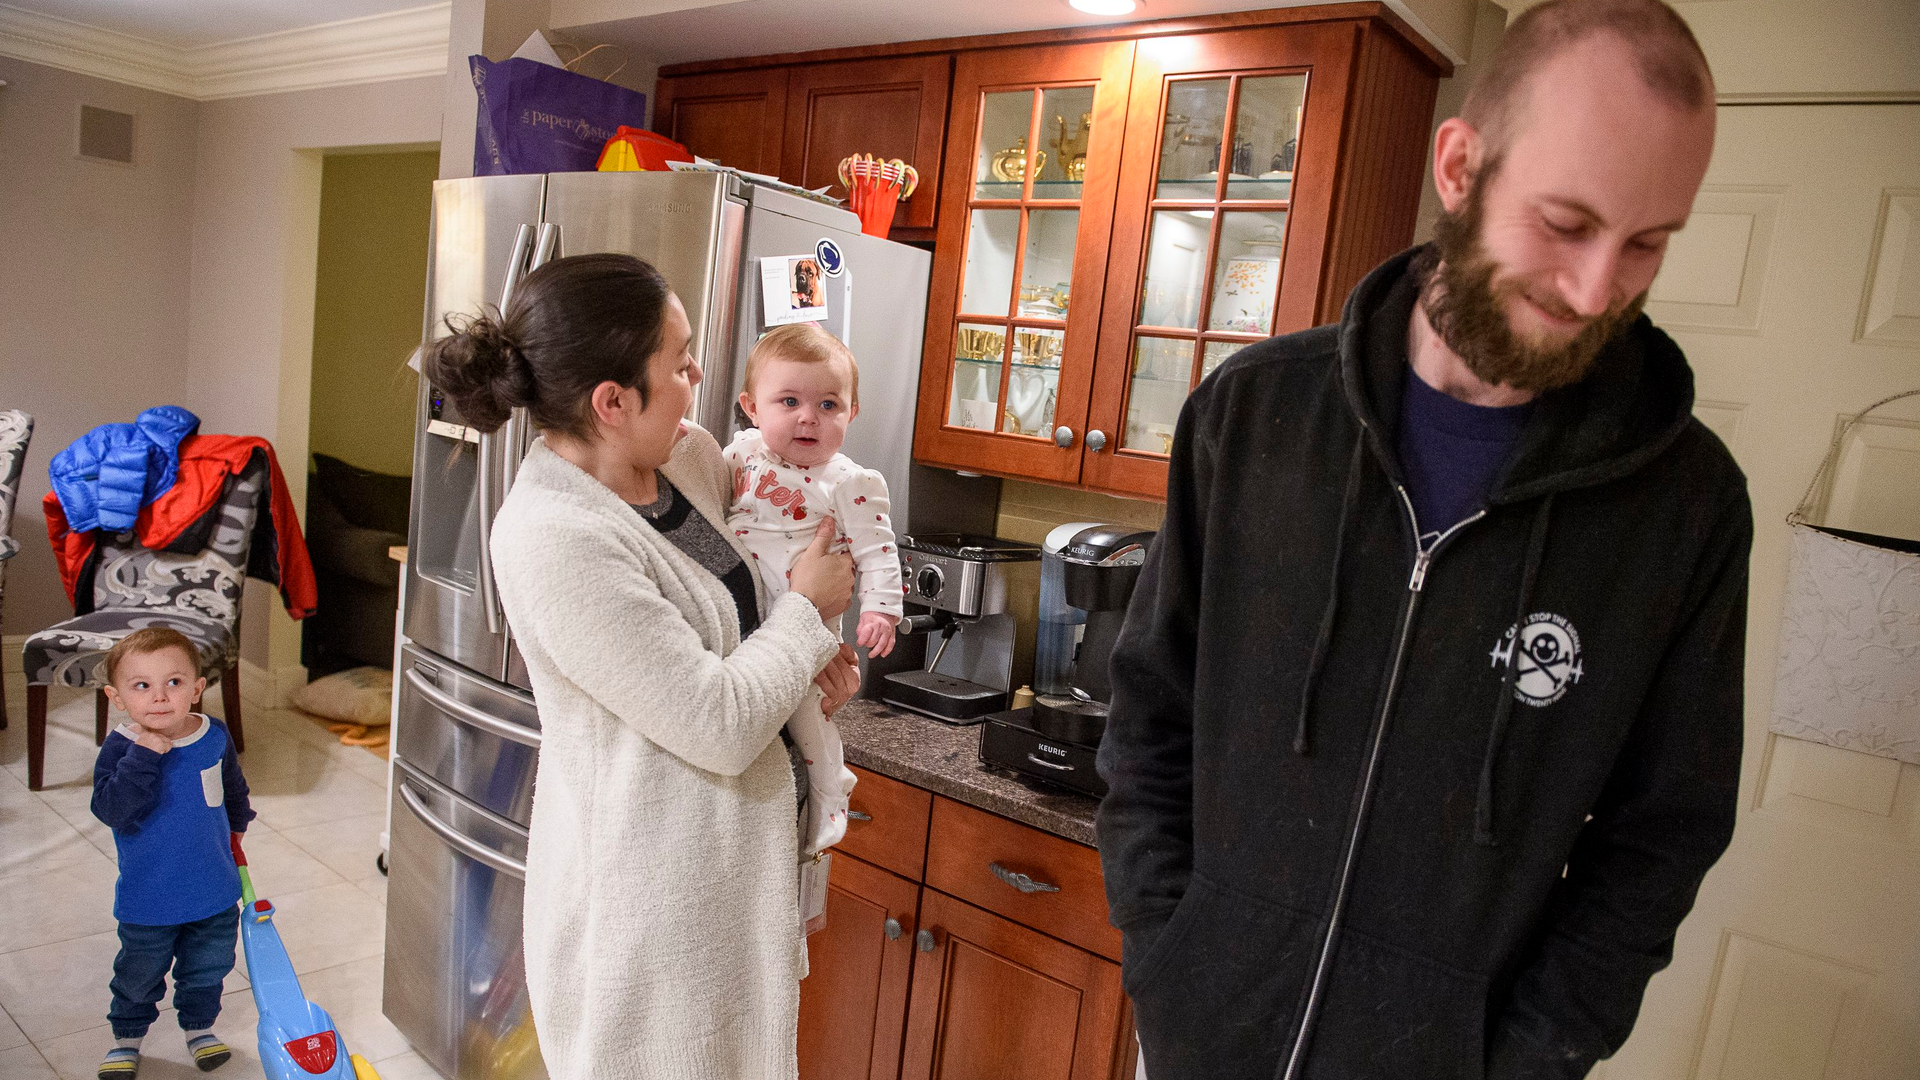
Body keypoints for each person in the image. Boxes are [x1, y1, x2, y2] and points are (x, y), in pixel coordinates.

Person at [1095, 2, 1749, 1078]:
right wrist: (1174, 959)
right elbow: (1149, 715)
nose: (1595, 290)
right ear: (1459, 167)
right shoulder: (1250, 420)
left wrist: (1530, 1057)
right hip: (1200, 1038)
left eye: (1646, 245)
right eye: (1567, 223)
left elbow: (1660, 836)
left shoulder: (1687, 510)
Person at [420, 252, 861, 1080]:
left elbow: (740, 626)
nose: (699, 373)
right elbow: (717, 722)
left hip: (735, 886)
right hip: (654, 917)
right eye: (680, 358)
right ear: (612, 402)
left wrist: (810, 669)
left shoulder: (688, 461)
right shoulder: (553, 536)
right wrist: (807, 617)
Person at [725, 323, 904, 861]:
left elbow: (878, 551)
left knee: (809, 708)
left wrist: (881, 611)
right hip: (749, 618)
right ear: (751, 407)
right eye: (789, 401)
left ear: (851, 414)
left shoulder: (850, 482)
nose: (809, 417)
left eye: (829, 404)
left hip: (807, 616)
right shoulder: (739, 456)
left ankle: (830, 789)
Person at [90, 627, 253, 1080]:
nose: (159, 697)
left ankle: (199, 1029)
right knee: (139, 973)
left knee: (209, 967)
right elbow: (112, 811)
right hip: (150, 897)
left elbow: (233, 789)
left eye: (174, 683)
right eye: (141, 686)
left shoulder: (213, 736)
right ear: (116, 696)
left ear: (197, 689)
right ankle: (127, 1038)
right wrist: (144, 755)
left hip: (215, 890)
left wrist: (239, 826)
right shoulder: (121, 748)